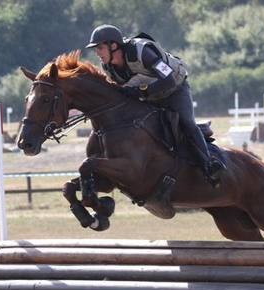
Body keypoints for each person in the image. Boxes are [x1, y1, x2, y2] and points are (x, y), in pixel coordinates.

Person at [85, 24, 226, 186]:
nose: (97, 53)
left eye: (100, 48)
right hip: (151, 98)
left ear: (113, 45)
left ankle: (209, 164)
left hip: (175, 92)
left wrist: (140, 92)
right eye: (96, 49)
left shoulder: (142, 52)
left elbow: (168, 78)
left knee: (186, 122)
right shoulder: (109, 68)